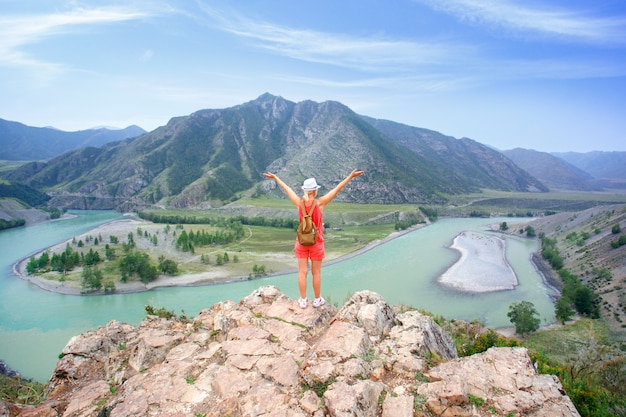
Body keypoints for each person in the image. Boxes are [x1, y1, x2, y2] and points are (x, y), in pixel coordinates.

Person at [263, 170, 365, 308]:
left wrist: (275, 178)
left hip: (301, 241)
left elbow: (287, 190)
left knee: (302, 271)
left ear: (305, 190)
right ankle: (317, 300)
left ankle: (303, 300)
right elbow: (337, 189)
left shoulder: (299, 203)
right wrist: (351, 176)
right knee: (316, 272)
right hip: (316, 242)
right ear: (315, 191)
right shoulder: (320, 203)